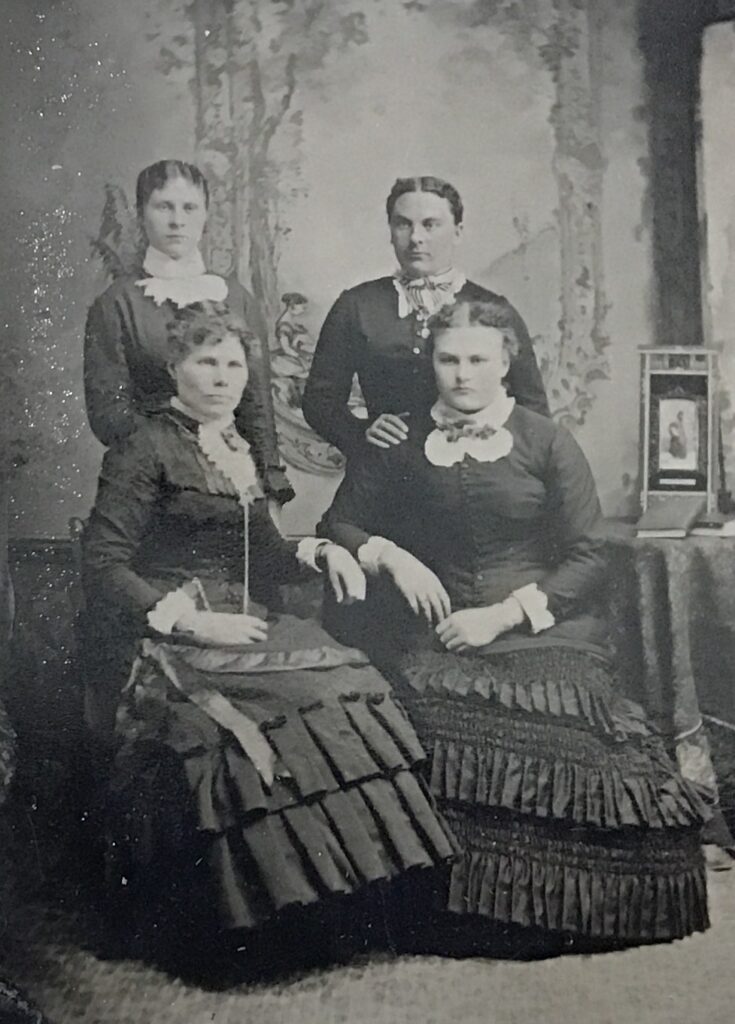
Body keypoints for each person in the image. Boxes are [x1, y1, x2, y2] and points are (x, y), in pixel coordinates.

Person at [321, 298, 709, 951]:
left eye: (478, 359)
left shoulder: (545, 439)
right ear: (431, 363)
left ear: (506, 362)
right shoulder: (403, 439)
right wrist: (390, 554)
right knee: (423, 733)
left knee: (571, 743)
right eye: (449, 359)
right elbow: (341, 521)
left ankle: (551, 919)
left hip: (539, 625)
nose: (462, 374)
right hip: (435, 632)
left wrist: (504, 614)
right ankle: (460, 919)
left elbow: (590, 553)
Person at [81, 302, 455, 965]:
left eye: (233, 364)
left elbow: (267, 552)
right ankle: (258, 929)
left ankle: (337, 908)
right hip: (170, 634)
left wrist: (323, 553)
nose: (222, 377)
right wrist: (191, 618)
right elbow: (104, 562)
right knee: (246, 722)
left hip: (248, 620)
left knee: (350, 678)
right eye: (206, 362)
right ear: (175, 368)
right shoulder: (144, 446)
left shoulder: (239, 450)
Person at [84, 159, 292, 505]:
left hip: (231, 475)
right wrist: (177, 456)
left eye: (190, 207)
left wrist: (269, 484)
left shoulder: (236, 298)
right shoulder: (117, 303)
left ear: (206, 214)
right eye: (164, 206)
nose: (178, 220)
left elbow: (257, 407)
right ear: (141, 213)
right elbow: (107, 414)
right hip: (148, 484)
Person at [302, 175, 548, 460]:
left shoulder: (494, 310)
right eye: (403, 224)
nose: (416, 238)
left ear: (458, 231)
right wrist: (361, 431)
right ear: (391, 231)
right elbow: (320, 401)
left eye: (430, 224)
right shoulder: (357, 306)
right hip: (388, 472)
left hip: (475, 474)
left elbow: (534, 411)